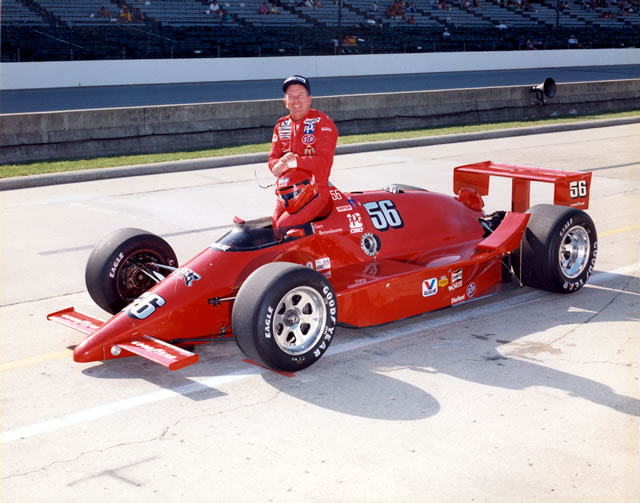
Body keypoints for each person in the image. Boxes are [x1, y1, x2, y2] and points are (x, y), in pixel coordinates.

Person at [269, 75, 339, 229]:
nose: (296, 101)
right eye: (291, 96)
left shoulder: (323, 122)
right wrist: (278, 166)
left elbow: (324, 162)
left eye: (300, 95)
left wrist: (294, 162)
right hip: (286, 192)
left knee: (284, 226)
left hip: (315, 191)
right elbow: (272, 159)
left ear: (309, 99)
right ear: (285, 101)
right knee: (275, 225)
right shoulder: (281, 125)